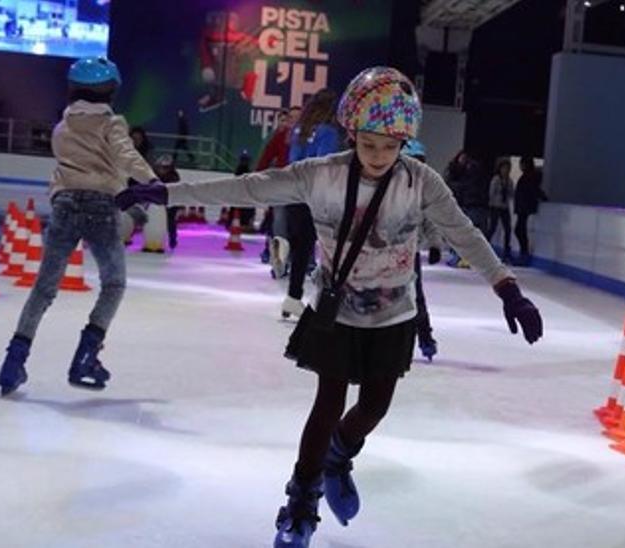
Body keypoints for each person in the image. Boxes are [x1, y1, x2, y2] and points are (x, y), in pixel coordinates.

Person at [116, 66, 544, 548]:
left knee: (375, 407)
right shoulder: (320, 175)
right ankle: (301, 500)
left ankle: (339, 457)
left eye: (390, 146)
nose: (379, 156)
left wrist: (508, 289)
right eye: (369, 144)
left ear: (404, 140)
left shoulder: (421, 182)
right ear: (352, 135)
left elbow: (463, 231)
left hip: (394, 315)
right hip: (336, 311)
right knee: (329, 401)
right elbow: (247, 187)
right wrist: (167, 194)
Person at [0, 57, 157, 396]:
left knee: (43, 288)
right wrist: (153, 181)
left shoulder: (63, 126)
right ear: (110, 90)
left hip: (65, 206)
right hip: (101, 207)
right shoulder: (112, 124)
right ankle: (86, 356)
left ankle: (13, 362)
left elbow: (63, 171)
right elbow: (128, 158)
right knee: (113, 284)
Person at [280, 88, 344, 318]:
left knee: (300, 244)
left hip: (293, 190)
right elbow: (324, 164)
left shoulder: (299, 130)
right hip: (313, 194)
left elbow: (292, 160)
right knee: (313, 246)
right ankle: (297, 297)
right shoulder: (328, 132)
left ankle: (285, 247)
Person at [401, 139, 441, 360]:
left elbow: (430, 220)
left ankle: (425, 338)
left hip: (410, 253)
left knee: (416, 298)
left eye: (419, 162)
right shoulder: (387, 186)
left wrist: (435, 244)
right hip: (382, 252)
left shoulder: (423, 191)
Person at [257, 107, 301, 262]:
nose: (294, 121)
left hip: (301, 187)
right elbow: (266, 155)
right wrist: (258, 175)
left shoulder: (307, 137)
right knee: (279, 220)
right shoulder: (280, 136)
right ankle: (279, 258)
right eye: (292, 117)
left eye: (298, 117)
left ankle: (301, 258)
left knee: (298, 223)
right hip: (282, 185)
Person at [513, 156, 545, 265]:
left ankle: (524, 254)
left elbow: (534, 191)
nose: (521, 166)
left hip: (525, 208)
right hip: (523, 207)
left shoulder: (529, 177)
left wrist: (542, 198)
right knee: (519, 230)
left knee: (520, 230)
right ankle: (523, 254)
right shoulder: (527, 177)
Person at [488, 158, 514, 259]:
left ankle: (507, 251)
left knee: (508, 229)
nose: (506, 170)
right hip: (495, 206)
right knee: (492, 228)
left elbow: (511, 194)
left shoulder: (509, 181)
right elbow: (491, 193)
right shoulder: (496, 179)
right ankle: (485, 248)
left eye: (508, 168)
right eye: (504, 168)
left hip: (504, 207)